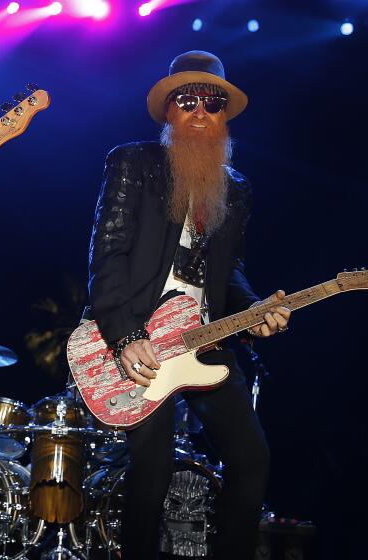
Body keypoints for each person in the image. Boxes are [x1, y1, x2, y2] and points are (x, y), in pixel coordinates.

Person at [84, 50, 290, 559]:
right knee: (151, 468)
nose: (200, 110)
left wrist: (256, 310)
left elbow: (231, 273)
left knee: (252, 459)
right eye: (187, 100)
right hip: (142, 337)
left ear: (224, 116)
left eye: (212, 102)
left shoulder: (235, 188)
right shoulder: (133, 162)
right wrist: (125, 333)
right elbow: (107, 251)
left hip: (206, 335)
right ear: (170, 112)